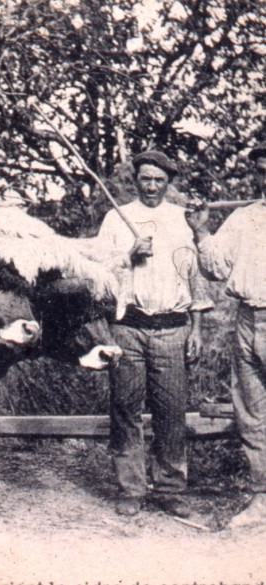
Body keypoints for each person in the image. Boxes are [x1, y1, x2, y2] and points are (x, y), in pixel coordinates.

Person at [96, 150, 213, 517]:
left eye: (158, 180)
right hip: (127, 327)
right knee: (125, 408)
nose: (151, 186)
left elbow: (195, 277)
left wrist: (197, 329)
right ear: (136, 179)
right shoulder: (117, 218)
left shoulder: (183, 220)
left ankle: (169, 487)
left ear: (168, 183)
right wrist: (129, 255)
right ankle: (130, 488)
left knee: (171, 412)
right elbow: (98, 271)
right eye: (145, 179)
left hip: (173, 328)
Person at [185, 142, 266, 529]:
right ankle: (262, 501)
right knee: (252, 414)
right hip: (247, 319)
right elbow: (215, 268)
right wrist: (201, 230)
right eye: (262, 169)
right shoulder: (243, 218)